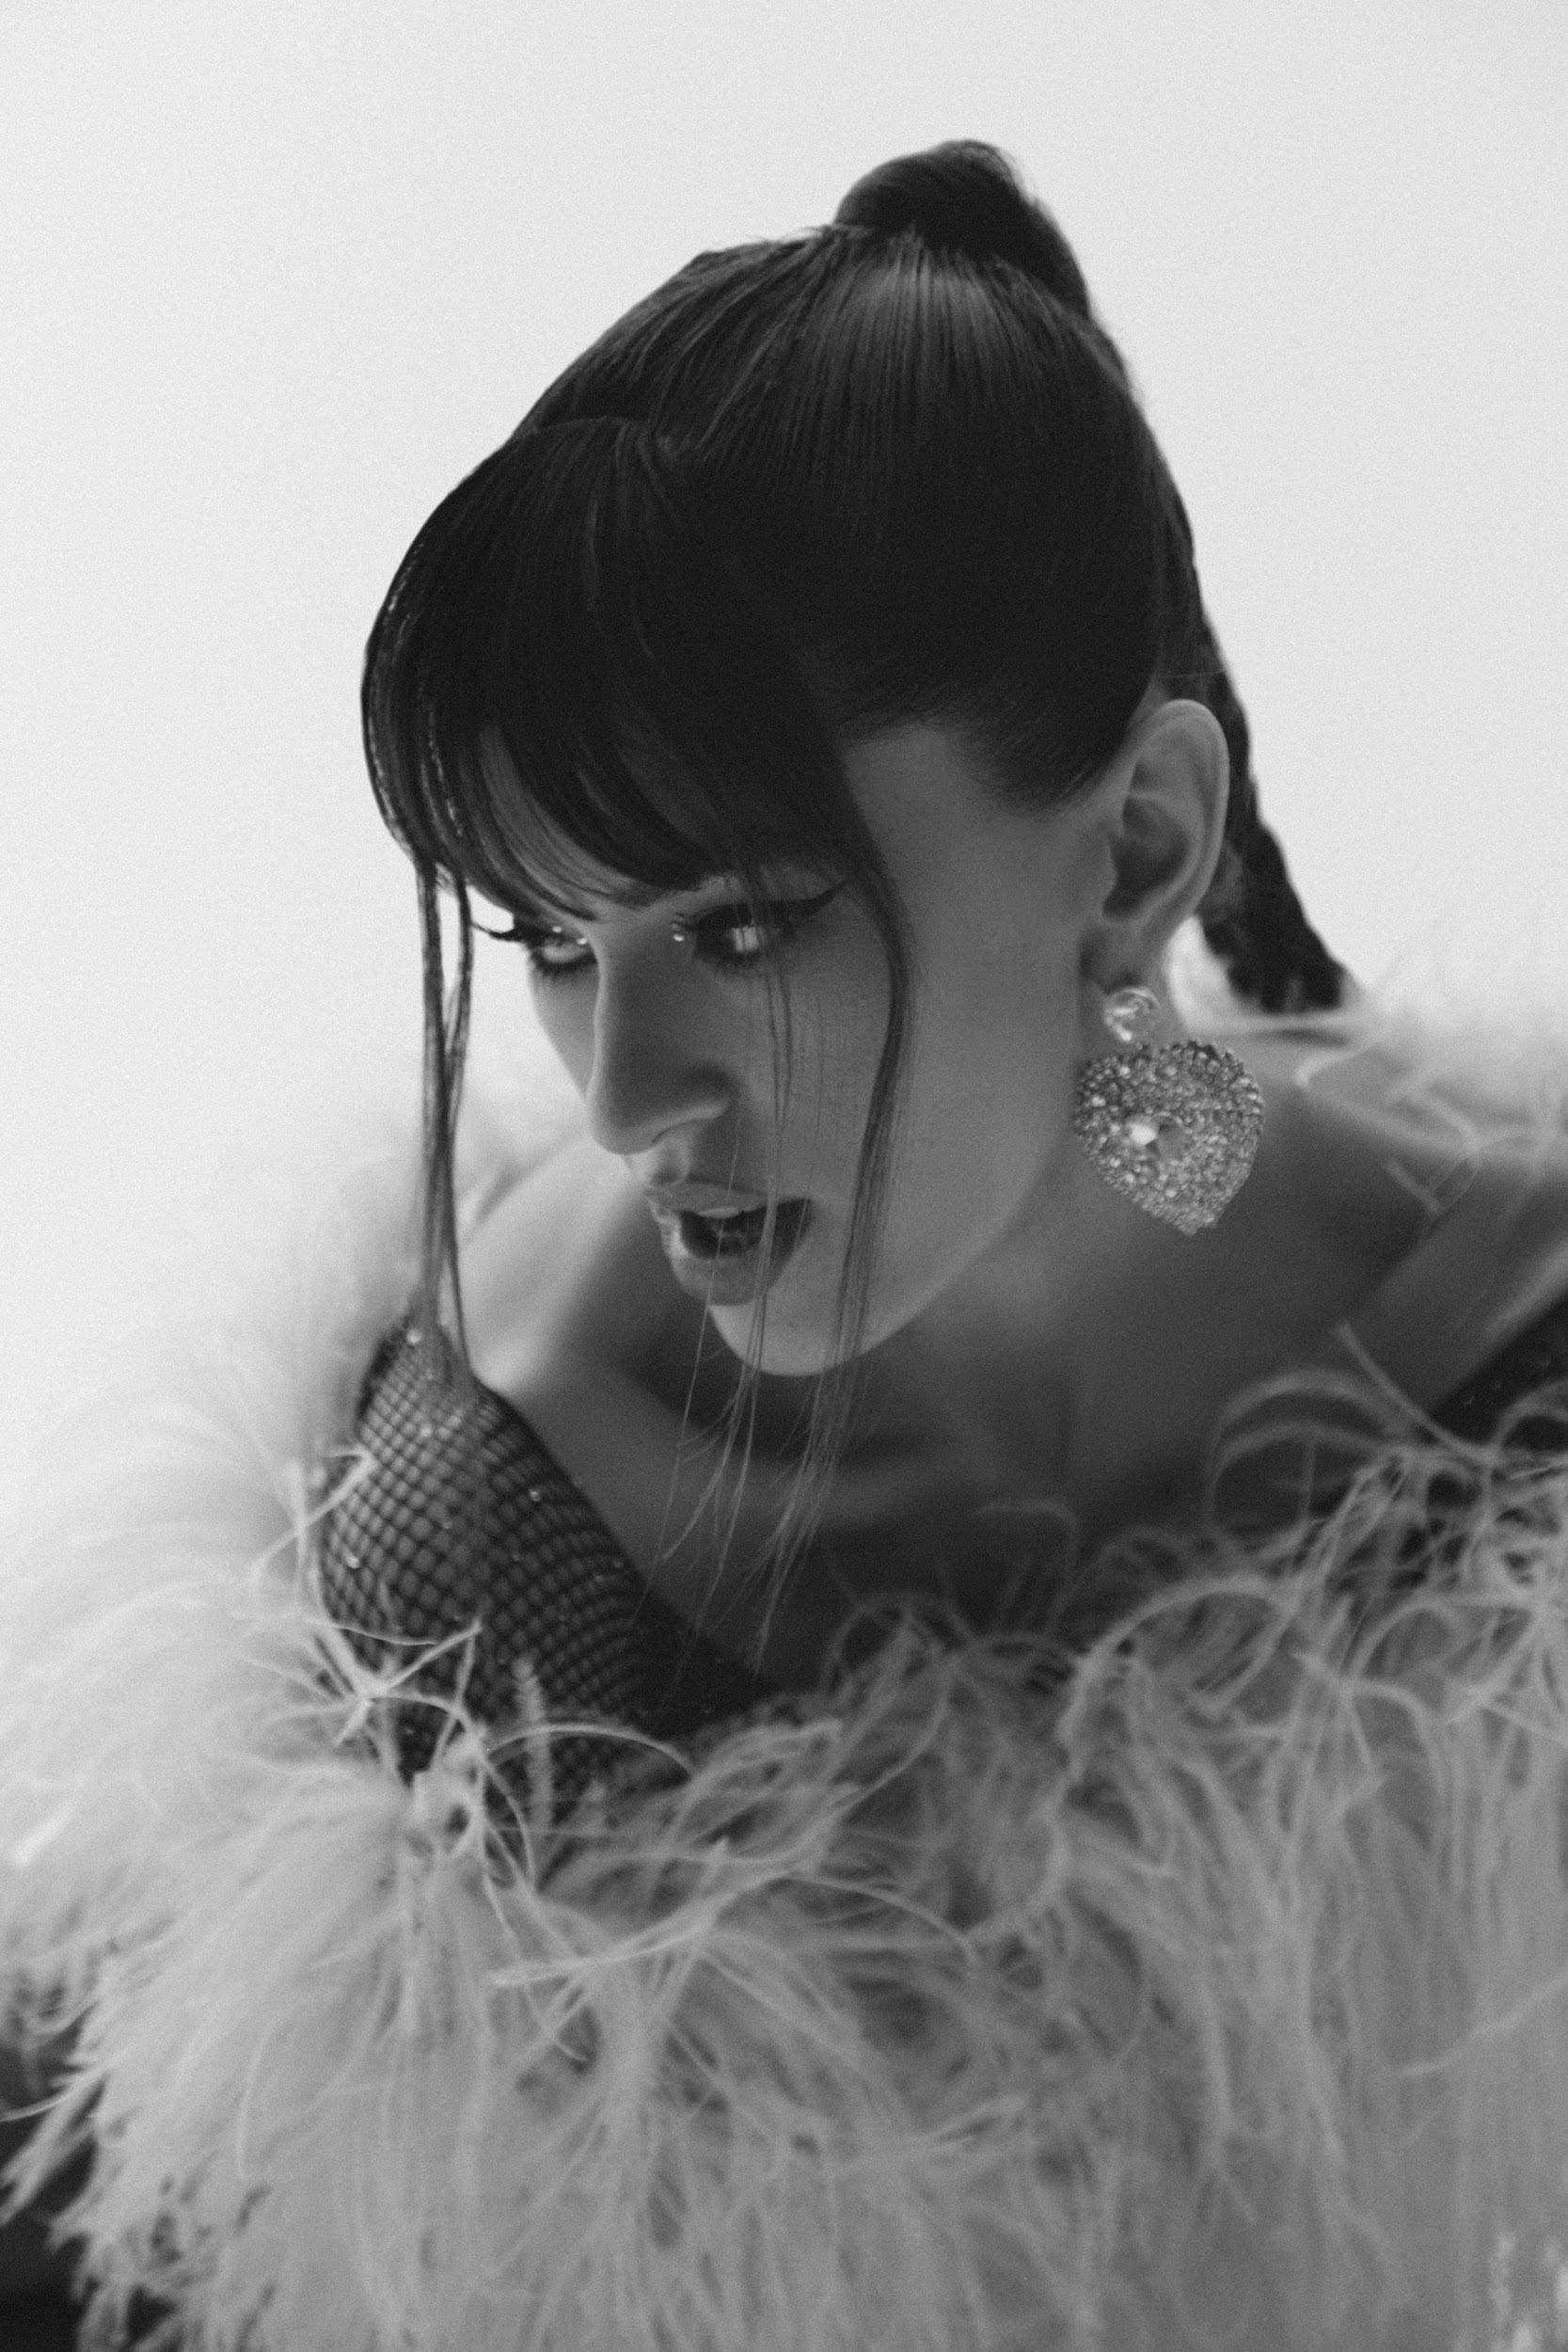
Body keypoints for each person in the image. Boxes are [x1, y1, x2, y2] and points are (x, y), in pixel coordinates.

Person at [4, 140, 1568, 2352]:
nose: (629, 1090)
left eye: (738, 919)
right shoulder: (506, 1540)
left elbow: (1213, 1127)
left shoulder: (1482, 1332)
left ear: (1135, 850)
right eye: (551, 934)